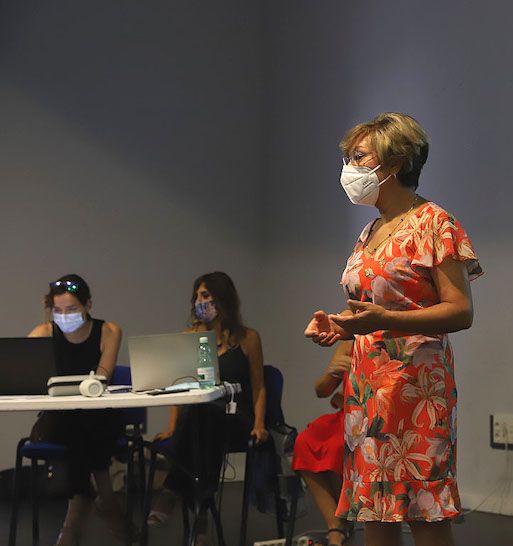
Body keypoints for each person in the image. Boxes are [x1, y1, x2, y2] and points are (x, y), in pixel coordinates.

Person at [304, 112, 482, 546]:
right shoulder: (370, 232)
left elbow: (460, 311)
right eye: (348, 157)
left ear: (396, 162)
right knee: (375, 511)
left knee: (425, 510)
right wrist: (341, 326)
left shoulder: (435, 223)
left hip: (416, 393)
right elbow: (374, 310)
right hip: (367, 392)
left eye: (359, 157)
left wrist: (384, 321)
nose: (349, 167)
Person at [147, 271, 268, 544]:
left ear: (223, 299)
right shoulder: (191, 336)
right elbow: (180, 388)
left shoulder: (248, 338)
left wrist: (260, 424)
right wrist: (170, 427)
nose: (200, 302)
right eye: (197, 297)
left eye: (206, 296)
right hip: (200, 422)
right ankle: (202, 511)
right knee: (201, 413)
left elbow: (259, 385)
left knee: (206, 415)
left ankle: (171, 491)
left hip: (237, 416)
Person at [28, 274, 125, 546]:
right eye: (57, 310)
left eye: (71, 309)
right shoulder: (44, 332)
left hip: (100, 416)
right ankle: (106, 498)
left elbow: (103, 376)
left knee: (85, 421)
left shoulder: (108, 331)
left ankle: (74, 516)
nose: (64, 316)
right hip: (58, 421)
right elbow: (25, 373)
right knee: (76, 422)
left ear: (88, 305)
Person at [293, 341, 353, 546]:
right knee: (304, 442)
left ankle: (344, 520)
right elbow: (321, 390)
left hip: (371, 418)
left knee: (337, 446)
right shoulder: (349, 342)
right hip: (347, 416)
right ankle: (335, 524)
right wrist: (332, 372)